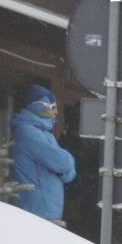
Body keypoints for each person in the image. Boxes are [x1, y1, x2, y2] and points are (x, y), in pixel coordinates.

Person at [9, 83, 76, 223]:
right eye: (53, 107)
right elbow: (63, 162)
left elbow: (68, 172)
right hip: (35, 210)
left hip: (47, 210)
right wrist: (67, 163)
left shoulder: (46, 135)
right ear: (40, 106)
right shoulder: (27, 132)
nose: (56, 112)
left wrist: (64, 168)